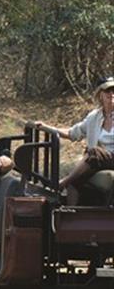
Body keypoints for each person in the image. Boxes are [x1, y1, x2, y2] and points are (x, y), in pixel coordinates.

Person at [34, 75, 114, 205]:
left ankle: (63, 182)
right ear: (100, 95)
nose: (111, 94)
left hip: (106, 157)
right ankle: (69, 215)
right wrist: (48, 127)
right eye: (107, 91)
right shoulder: (94, 117)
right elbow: (72, 133)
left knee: (93, 152)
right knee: (76, 182)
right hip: (97, 160)